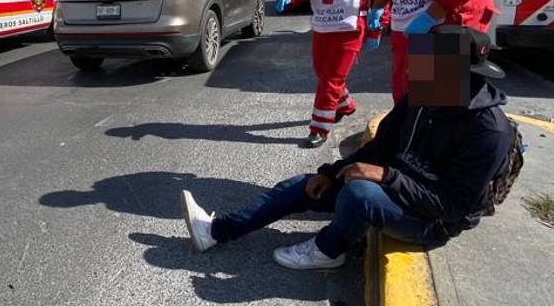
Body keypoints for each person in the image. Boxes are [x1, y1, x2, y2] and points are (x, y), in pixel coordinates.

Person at [179, 26, 514, 270]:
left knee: (360, 194)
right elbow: (380, 147)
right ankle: (216, 232)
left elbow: (453, 207)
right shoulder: (423, 97)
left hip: (432, 221)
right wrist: (331, 173)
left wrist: (386, 177)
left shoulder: (488, 131)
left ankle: (329, 251)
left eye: (427, 65)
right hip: (396, 188)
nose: (413, 70)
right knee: (300, 185)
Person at [274, 0, 388, 148]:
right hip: (323, 25)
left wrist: (377, 26)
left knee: (330, 78)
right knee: (322, 73)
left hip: (350, 27)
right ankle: (345, 105)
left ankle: (319, 128)